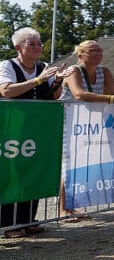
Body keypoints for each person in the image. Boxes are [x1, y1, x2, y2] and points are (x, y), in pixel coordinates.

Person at [0, 27, 69, 238]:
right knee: (11, 173)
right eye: (32, 44)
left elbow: (54, 96)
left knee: (32, 170)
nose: (38, 47)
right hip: (12, 128)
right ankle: (8, 224)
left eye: (39, 43)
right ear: (18, 47)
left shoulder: (44, 67)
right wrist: (38, 80)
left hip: (36, 128)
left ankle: (28, 219)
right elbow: (6, 90)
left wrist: (57, 80)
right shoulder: (7, 65)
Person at [58, 40, 114, 221]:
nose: (98, 53)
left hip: (89, 123)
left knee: (81, 162)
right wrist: (111, 98)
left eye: (99, 50)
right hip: (69, 121)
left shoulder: (104, 71)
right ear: (81, 55)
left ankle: (72, 206)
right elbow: (79, 94)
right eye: (92, 50)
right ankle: (62, 209)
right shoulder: (74, 70)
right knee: (68, 164)